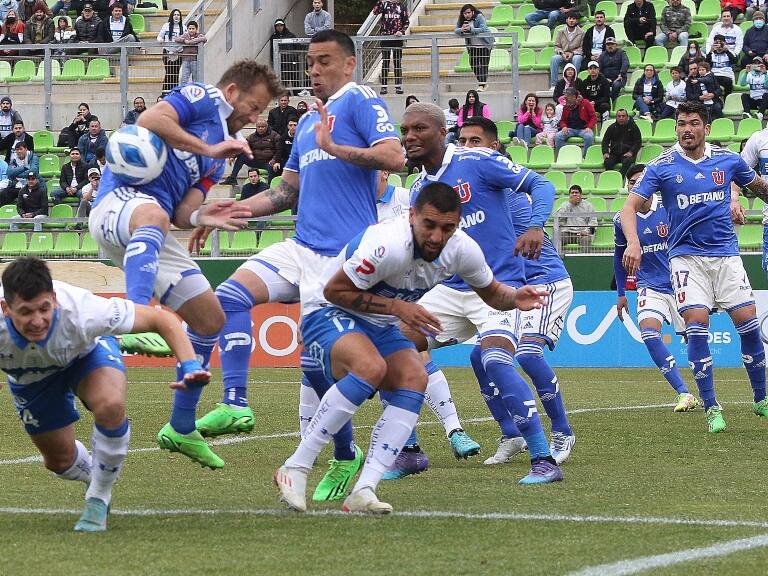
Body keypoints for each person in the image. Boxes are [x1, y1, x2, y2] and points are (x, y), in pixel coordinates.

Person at [185, 32, 404, 499]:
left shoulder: (361, 100)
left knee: (315, 366)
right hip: (301, 245)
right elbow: (287, 192)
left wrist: (338, 146)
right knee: (230, 294)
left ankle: (346, 457)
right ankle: (236, 403)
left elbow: (394, 157)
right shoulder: (307, 124)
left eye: (324, 61)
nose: (314, 70)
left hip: (343, 258)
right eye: (309, 62)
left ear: (349, 64)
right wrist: (232, 211)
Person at [274, 181, 549, 514]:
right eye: (429, 225)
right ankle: (296, 466)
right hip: (328, 310)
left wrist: (514, 298)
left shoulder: (462, 249)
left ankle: (364, 490)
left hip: (380, 320)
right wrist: (397, 308)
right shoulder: (388, 245)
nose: (436, 236)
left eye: (447, 228)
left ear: (457, 225)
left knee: (414, 378)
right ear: (412, 215)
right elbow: (335, 291)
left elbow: (491, 292)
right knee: (370, 368)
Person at [89, 60, 281, 469]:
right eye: (254, 105)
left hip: (154, 224)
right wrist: (209, 147)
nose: (255, 116)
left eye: (262, 111)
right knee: (154, 215)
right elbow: (150, 118)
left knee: (210, 319)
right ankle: (134, 317)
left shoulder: (224, 157)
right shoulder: (203, 98)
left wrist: (202, 216)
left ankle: (180, 425)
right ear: (231, 92)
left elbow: (181, 212)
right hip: (117, 204)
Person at [393, 107, 562, 484]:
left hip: (498, 288)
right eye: (405, 130)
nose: (410, 136)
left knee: (496, 360)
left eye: (419, 128)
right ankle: (409, 452)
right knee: (393, 345)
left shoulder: (478, 160)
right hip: (450, 291)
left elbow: (543, 185)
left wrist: (535, 225)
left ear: (442, 131)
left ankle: (543, 459)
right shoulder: (419, 189)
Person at [0, 257, 211, 532]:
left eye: (44, 308)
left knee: (110, 404)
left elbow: (161, 318)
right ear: (6, 308)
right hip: (30, 379)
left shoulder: (83, 310)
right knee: (59, 462)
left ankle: (99, 497)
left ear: (54, 297)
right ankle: (94, 473)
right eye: (26, 312)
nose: (38, 320)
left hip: (85, 356)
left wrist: (190, 365)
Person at [623, 100, 768, 433]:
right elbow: (630, 207)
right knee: (697, 325)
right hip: (686, 258)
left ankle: (760, 399)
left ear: (707, 128)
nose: (686, 129)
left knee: (748, 325)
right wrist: (633, 242)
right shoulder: (661, 166)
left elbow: (759, 188)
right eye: (681, 123)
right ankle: (712, 406)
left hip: (726, 255)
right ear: (675, 129)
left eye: (693, 123)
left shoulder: (728, 161)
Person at [456, 120, 576, 466]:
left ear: (494, 148)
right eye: (462, 141)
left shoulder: (509, 194)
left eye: (476, 140)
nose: (467, 146)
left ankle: (562, 430)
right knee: (480, 358)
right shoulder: (468, 192)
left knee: (527, 354)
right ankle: (511, 434)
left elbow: (502, 240)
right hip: (510, 291)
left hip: (544, 281)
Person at [614, 165, 701, 413]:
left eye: (640, 181)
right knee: (650, 334)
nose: (635, 185)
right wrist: (621, 293)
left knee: (695, 338)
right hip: (649, 285)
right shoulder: (622, 219)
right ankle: (684, 393)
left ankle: (708, 394)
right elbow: (619, 255)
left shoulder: (668, 207)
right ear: (627, 186)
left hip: (681, 282)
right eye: (631, 182)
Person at [222, 119, 279, 185]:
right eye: (259, 127)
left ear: (267, 127)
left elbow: (279, 150)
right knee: (241, 156)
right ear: (256, 127)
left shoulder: (274, 135)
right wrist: (233, 156)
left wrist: (274, 160)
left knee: (272, 168)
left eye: (263, 127)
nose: (260, 128)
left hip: (268, 162)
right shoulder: (252, 137)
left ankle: (269, 186)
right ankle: (232, 178)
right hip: (255, 161)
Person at [373, 0, 409, 95]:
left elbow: (406, 22)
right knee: (385, 62)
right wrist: (381, 1)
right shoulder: (385, 4)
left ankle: (398, 86)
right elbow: (375, 11)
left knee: (397, 63)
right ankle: (384, 86)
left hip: (397, 39)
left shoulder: (401, 6)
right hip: (385, 38)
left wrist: (401, 31)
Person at [455, 3, 493, 91]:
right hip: (473, 47)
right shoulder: (462, 20)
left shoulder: (479, 17)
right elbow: (456, 30)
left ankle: (482, 84)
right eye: (465, 13)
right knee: (473, 64)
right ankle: (483, 83)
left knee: (483, 65)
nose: (467, 15)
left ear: (472, 12)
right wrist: (462, 30)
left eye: (468, 13)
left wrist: (471, 30)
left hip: (484, 45)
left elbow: (483, 29)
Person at [555, 87, 596, 153]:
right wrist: (564, 126)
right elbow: (562, 121)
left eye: (567, 96)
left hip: (584, 129)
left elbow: (593, 117)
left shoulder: (585, 102)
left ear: (574, 96)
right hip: (570, 129)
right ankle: (562, 156)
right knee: (558, 136)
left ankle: (585, 157)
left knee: (589, 137)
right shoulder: (566, 106)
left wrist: (589, 127)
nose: (565, 97)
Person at [602, 109, 642, 176]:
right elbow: (605, 141)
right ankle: (611, 177)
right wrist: (605, 152)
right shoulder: (612, 127)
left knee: (627, 161)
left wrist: (631, 152)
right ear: (616, 117)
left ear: (627, 117)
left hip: (627, 154)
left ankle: (620, 177)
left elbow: (638, 142)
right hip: (614, 154)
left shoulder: (633, 127)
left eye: (623, 116)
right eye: (619, 116)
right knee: (607, 162)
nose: (621, 118)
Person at [555, 184, 597, 249]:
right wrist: (570, 204)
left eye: (576, 193)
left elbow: (593, 221)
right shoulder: (565, 205)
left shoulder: (588, 205)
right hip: (567, 232)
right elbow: (558, 217)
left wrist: (586, 231)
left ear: (580, 195)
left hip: (581, 233)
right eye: (572, 193)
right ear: (569, 195)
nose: (574, 194)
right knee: (556, 239)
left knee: (586, 240)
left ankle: (585, 259)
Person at [550, 14, 584, 89]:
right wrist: (562, 53)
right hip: (563, 54)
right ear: (566, 20)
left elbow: (582, 47)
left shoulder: (582, 33)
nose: (571, 21)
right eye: (570, 18)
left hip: (575, 54)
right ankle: (554, 85)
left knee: (577, 58)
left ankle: (574, 83)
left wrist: (573, 53)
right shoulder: (560, 32)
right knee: (554, 59)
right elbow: (556, 46)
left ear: (576, 21)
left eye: (574, 18)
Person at [157, 9, 184, 95]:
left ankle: (174, 93)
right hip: (167, 52)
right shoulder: (166, 25)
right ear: (171, 16)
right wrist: (160, 40)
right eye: (175, 14)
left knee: (175, 74)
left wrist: (176, 50)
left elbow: (185, 42)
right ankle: (165, 94)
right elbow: (159, 37)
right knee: (169, 73)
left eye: (178, 15)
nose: (176, 16)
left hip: (178, 53)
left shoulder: (183, 27)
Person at [269, 19, 300, 94]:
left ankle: (297, 93)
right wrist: (274, 60)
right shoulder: (273, 37)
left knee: (295, 79)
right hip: (281, 63)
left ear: (284, 26)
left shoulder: (290, 35)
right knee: (284, 81)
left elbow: (298, 47)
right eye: (277, 26)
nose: (279, 27)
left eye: (281, 25)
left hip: (292, 62)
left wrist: (294, 57)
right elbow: (272, 50)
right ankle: (285, 96)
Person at [176, 20, 206, 85]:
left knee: (195, 79)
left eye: (193, 28)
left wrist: (190, 42)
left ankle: (194, 93)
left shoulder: (199, 35)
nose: (191, 30)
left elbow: (204, 39)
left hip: (195, 60)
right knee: (184, 79)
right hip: (185, 60)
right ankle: (183, 93)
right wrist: (184, 40)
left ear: (196, 29)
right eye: (189, 28)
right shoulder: (185, 35)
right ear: (187, 29)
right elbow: (177, 39)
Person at [599, 37, 629, 101]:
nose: (610, 46)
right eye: (608, 44)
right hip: (606, 78)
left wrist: (621, 74)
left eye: (612, 44)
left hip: (619, 77)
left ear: (616, 45)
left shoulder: (622, 53)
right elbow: (598, 69)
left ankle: (611, 101)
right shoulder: (602, 55)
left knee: (616, 85)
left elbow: (626, 64)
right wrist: (604, 78)